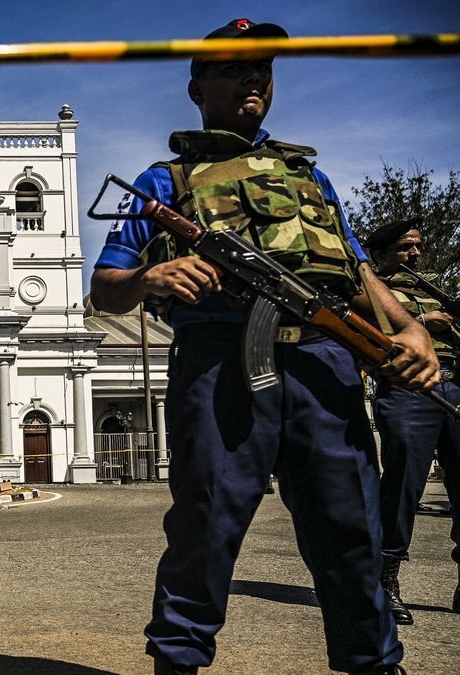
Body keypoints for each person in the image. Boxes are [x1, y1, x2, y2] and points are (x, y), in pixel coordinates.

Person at [89, 18, 439, 675]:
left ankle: (375, 660)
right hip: (222, 363)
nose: (254, 77)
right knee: (205, 527)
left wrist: (407, 328)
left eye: (264, 68)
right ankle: (178, 660)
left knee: (352, 530)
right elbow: (106, 288)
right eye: (234, 67)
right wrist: (151, 276)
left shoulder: (312, 179)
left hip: (323, 363)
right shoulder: (168, 181)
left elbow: (356, 272)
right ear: (198, 88)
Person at [365, 218, 460, 624]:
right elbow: (363, 334)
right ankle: (386, 582)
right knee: (403, 484)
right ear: (381, 254)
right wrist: (422, 324)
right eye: (405, 248)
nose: (415, 254)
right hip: (407, 389)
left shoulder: (431, 287)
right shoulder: (368, 291)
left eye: (418, 247)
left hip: (455, 383)